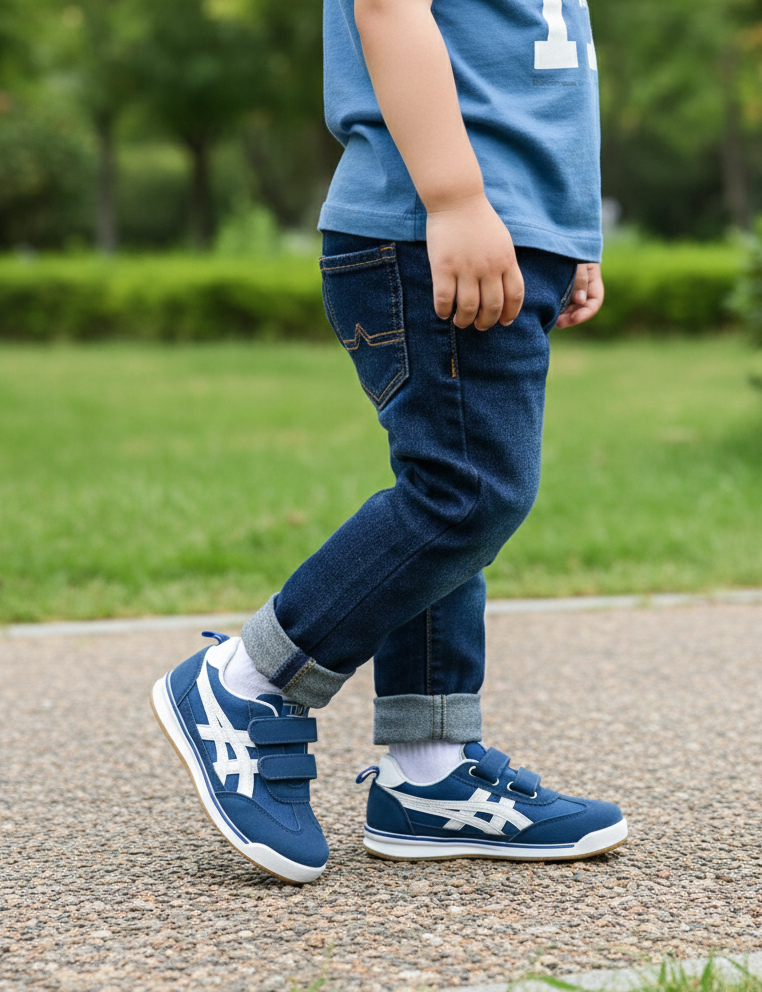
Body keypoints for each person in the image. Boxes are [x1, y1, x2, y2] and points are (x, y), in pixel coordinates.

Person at [150, 0, 627, 884]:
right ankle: (248, 681)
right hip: (434, 221)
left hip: (510, 225)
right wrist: (455, 198)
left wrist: (568, 234)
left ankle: (429, 773)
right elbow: (387, 7)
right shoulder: (449, 204)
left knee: (454, 489)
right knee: (467, 493)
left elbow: (533, 64)